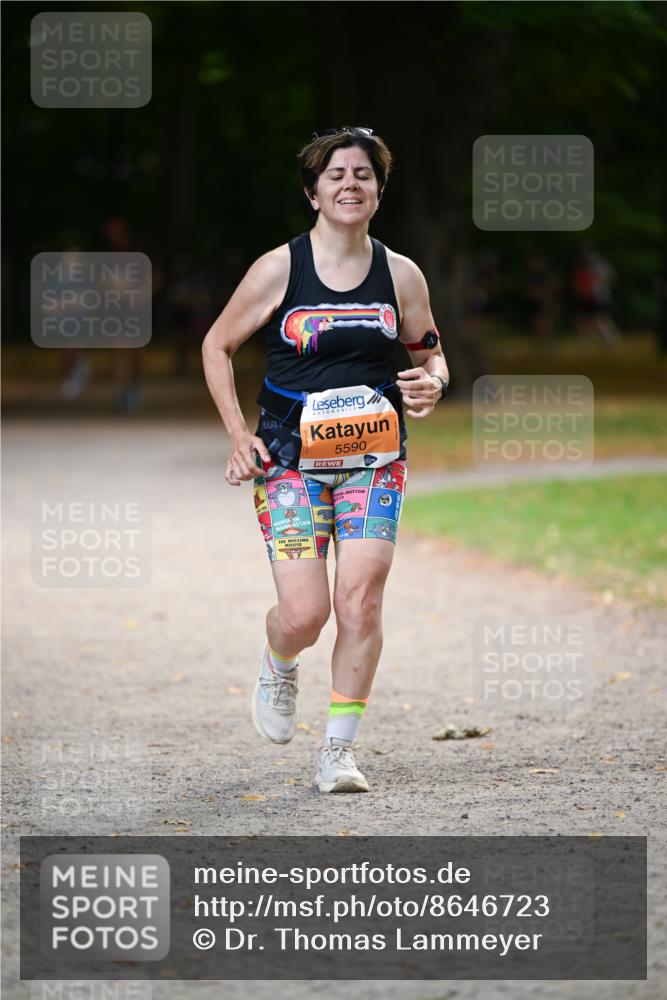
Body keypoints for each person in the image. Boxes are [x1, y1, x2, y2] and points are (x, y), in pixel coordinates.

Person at [202, 127, 449, 793]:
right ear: (313, 192)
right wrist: (235, 435)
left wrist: (434, 380)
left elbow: (428, 348)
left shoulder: (400, 274)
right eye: (336, 174)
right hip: (287, 459)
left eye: (362, 175)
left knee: (361, 597)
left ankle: (337, 752)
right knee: (306, 613)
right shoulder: (279, 269)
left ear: (377, 190)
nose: (349, 184)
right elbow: (216, 346)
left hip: (375, 460)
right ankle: (280, 658)